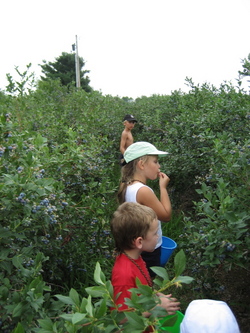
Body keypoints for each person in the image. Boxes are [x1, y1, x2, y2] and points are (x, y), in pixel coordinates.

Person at [111, 202, 180, 323]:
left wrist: (155, 296)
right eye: (155, 233)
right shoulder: (124, 275)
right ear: (139, 242)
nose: (158, 236)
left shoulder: (136, 258)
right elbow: (121, 319)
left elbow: (140, 289)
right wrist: (155, 308)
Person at [117, 141, 172, 276]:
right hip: (149, 249)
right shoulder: (143, 191)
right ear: (141, 164)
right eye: (155, 162)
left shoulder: (127, 186)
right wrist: (163, 188)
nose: (159, 166)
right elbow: (166, 216)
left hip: (137, 247)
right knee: (148, 283)